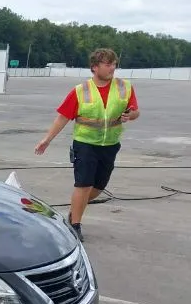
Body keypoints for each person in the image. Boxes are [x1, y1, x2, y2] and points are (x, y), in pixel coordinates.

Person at [34, 48, 139, 240]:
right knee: (83, 184)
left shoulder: (125, 87)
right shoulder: (80, 91)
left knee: (98, 187)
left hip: (110, 144)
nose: (112, 68)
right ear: (94, 67)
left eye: (114, 64)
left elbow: (135, 111)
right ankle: (75, 224)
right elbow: (63, 117)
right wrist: (47, 140)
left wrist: (131, 115)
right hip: (85, 144)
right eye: (108, 64)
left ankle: (76, 206)